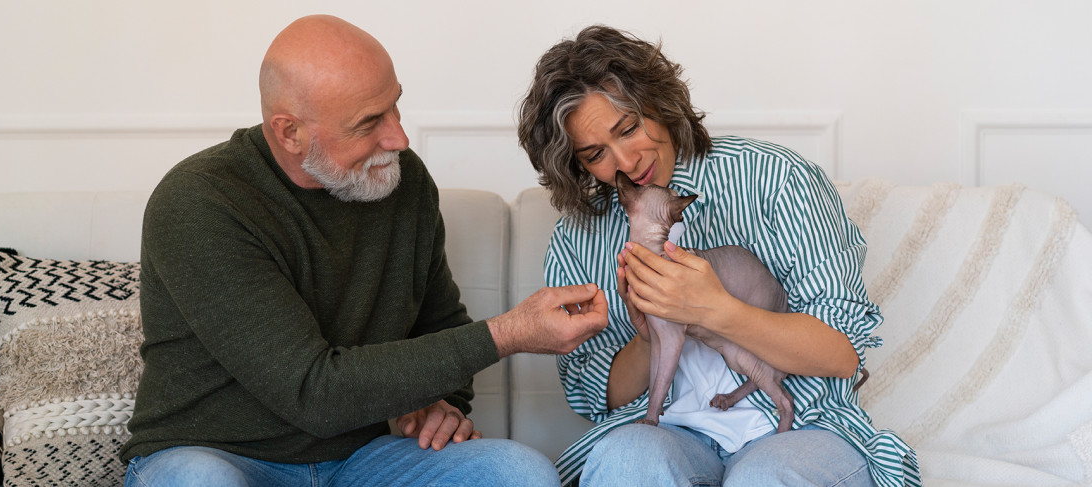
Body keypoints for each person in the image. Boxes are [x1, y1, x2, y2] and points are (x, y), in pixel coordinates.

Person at [118, 15, 610, 487]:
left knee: (520, 474)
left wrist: (442, 402)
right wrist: (510, 332)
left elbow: (439, 325)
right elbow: (314, 392)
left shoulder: (403, 181)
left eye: (395, 105)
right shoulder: (201, 202)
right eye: (368, 122)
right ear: (289, 132)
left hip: (360, 459)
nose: (398, 136)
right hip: (219, 455)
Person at [517, 25, 920, 487]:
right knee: (627, 461)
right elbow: (596, 395)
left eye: (628, 128)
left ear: (659, 101)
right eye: (595, 154)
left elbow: (841, 353)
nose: (625, 162)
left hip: (800, 426)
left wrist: (716, 310)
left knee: (765, 478)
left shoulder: (776, 178)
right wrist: (648, 338)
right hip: (671, 432)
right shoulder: (579, 236)